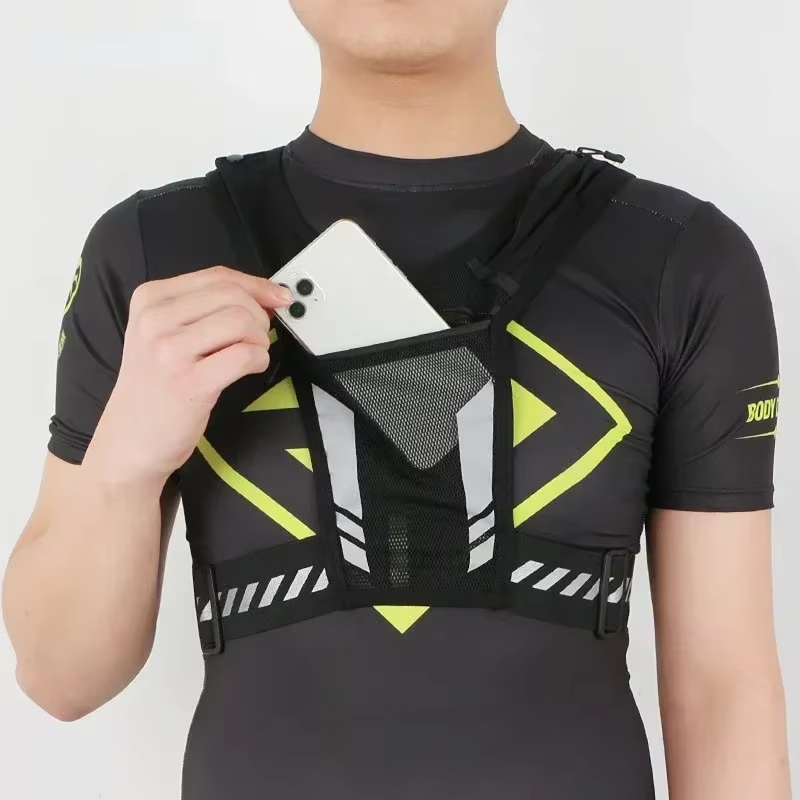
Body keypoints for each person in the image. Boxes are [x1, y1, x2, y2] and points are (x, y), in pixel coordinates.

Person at [2, 1, 791, 798]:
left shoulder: (680, 260)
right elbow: (61, 678)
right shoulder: (157, 255)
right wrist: (124, 467)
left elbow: (723, 688)